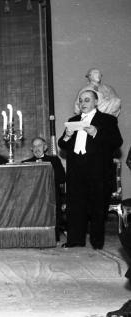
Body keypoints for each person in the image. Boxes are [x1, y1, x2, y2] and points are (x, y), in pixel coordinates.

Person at [58, 89, 122, 249]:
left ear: (95, 102)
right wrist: (67, 134)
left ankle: (97, 243)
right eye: (80, 100)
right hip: (76, 171)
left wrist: (96, 133)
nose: (82, 103)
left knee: (97, 208)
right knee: (75, 207)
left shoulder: (107, 120)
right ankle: (75, 240)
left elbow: (117, 141)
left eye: (87, 100)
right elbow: (62, 144)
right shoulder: (73, 120)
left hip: (98, 171)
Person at [22, 137, 66, 241]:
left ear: (45, 147)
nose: (37, 148)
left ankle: (52, 236)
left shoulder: (54, 160)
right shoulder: (25, 163)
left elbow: (62, 178)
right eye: (34, 146)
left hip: (51, 196)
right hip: (33, 198)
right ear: (31, 149)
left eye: (39, 145)